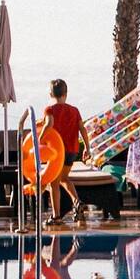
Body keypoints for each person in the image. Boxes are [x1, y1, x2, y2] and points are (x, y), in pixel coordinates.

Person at [43, 79, 84, 222]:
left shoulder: (49, 110)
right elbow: (82, 129)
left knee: (54, 183)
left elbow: (49, 124)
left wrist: (39, 139)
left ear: (50, 94)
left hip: (57, 151)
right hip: (72, 151)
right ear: (66, 94)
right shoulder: (74, 110)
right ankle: (77, 201)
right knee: (64, 178)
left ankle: (56, 216)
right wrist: (87, 147)